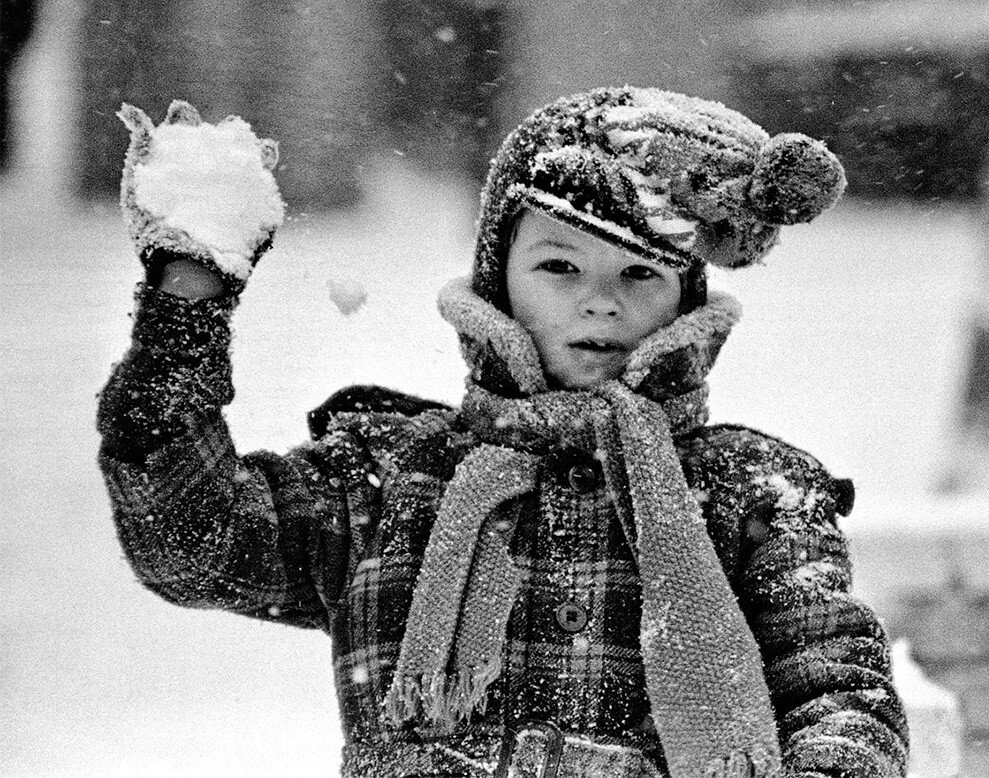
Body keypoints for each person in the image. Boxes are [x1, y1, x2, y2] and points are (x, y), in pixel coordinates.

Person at [98, 88, 908, 777]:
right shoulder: (389, 479)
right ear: (499, 281)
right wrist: (186, 309)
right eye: (560, 267)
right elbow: (191, 541)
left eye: (639, 273)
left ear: (687, 301)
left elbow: (836, 686)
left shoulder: (748, 492)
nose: (600, 301)